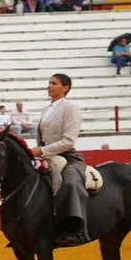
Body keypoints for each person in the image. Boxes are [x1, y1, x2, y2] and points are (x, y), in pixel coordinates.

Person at [36, 73, 87, 246]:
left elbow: (68, 141)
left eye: (54, 83)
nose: (49, 86)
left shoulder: (71, 108)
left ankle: (75, 229)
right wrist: (40, 153)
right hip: (46, 155)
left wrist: (41, 150)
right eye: (49, 82)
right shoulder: (46, 109)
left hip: (67, 156)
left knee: (70, 182)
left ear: (65, 88)